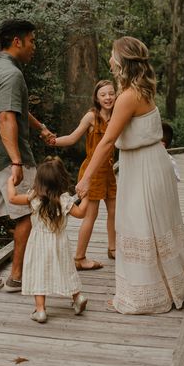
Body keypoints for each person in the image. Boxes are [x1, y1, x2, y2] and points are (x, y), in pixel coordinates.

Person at [76, 37, 184, 314]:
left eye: (112, 56)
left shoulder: (128, 97)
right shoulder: (138, 89)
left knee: (139, 225)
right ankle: (167, 284)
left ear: (122, 61)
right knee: (150, 226)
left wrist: (85, 179)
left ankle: (144, 296)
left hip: (143, 167)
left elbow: (107, 141)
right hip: (149, 161)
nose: (109, 60)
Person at [0, 19, 54, 297]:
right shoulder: (11, 74)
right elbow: (6, 116)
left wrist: (40, 127)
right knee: (27, 213)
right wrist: (16, 161)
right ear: (17, 41)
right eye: (32, 40)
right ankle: (16, 276)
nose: (34, 46)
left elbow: (14, 109)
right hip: (7, 158)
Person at [7, 157, 88, 323]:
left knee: (39, 272)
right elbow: (81, 214)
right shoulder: (64, 199)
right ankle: (77, 297)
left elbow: (12, 198)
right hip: (60, 242)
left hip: (38, 243)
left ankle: (41, 310)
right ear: (61, 180)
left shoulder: (34, 198)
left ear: (40, 181)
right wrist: (86, 197)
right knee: (66, 269)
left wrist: (10, 182)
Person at [49, 80, 117, 270]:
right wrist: (54, 141)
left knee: (114, 210)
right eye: (103, 94)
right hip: (92, 172)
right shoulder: (91, 117)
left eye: (111, 93)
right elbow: (72, 138)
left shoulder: (118, 115)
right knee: (90, 214)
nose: (108, 98)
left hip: (109, 171)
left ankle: (113, 248)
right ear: (96, 97)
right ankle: (79, 258)